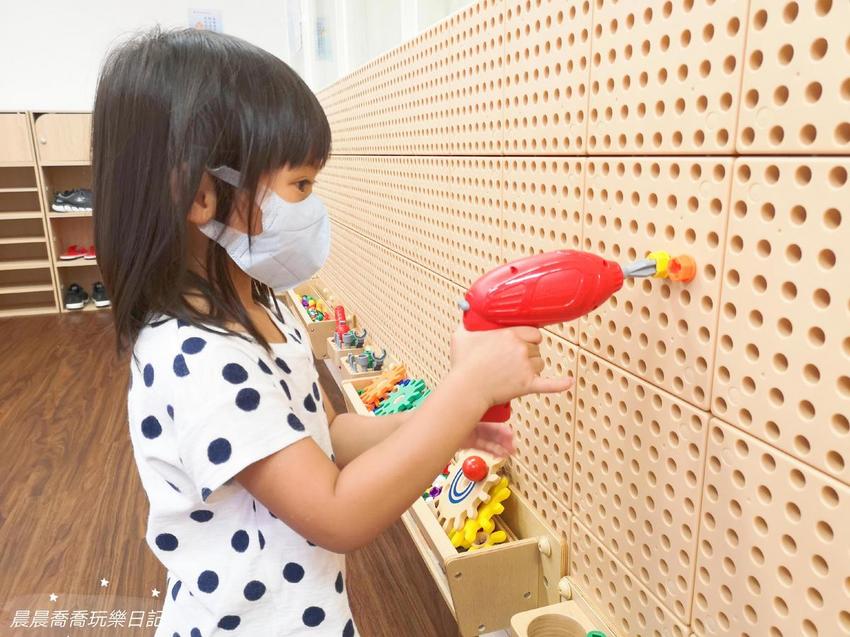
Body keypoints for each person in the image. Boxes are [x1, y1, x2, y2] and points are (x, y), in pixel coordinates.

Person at [91, 27, 573, 637]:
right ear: (201, 194)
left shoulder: (262, 305)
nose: (313, 207)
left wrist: (441, 423)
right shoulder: (198, 357)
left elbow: (326, 433)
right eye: (300, 186)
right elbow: (338, 513)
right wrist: (467, 389)